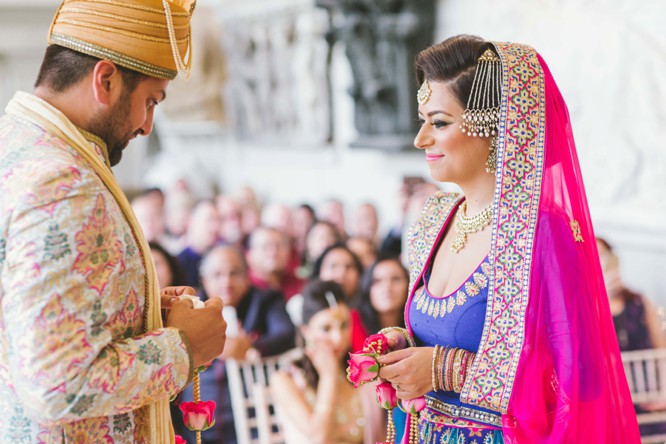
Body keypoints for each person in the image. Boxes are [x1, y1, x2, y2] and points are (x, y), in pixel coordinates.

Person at [375, 35, 640, 442]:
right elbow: (441, 336)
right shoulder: (434, 218)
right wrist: (400, 346)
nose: (421, 139)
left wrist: (449, 369)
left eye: (440, 122)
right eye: (422, 121)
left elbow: (581, 379)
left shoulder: (543, 233)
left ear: (494, 127)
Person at [0, 1, 228, 442]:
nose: (146, 125)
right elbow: (57, 383)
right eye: (149, 101)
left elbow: (27, 318)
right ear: (105, 80)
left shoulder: (19, 146)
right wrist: (183, 347)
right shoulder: (61, 179)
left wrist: (143, 309)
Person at [175, 245, 295, 444]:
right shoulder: (190, 307)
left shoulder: (266, 300)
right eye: (217, 274)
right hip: (197, 423)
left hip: (256, 420)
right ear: (204, 280)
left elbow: (286, 334)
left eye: (234, 273)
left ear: (247, 276)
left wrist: (250, 347)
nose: (226, 281)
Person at [272, 280, 384, 444]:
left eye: (344, 325)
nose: (338, 338)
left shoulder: (362, 373)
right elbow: (318, 438)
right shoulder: (285, 379)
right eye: (326, 328)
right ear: (306, 331)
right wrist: (328, 377)